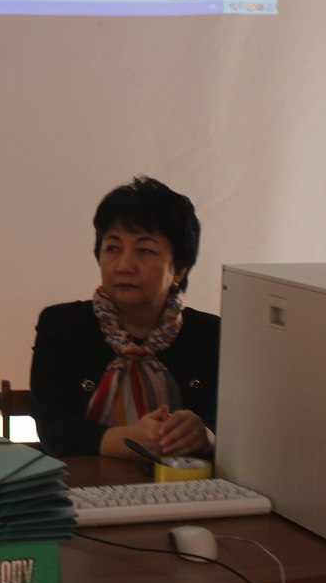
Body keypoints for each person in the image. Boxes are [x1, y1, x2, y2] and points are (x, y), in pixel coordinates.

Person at [28, 176, 217, 459]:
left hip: (184, 484)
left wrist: (205, 435)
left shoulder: (212, 334)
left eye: (145, 251)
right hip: (85, 483)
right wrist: (134, 439)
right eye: (113, 248)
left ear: (179, 270)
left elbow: (236, 429)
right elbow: (56, 433)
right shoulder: (61, 326)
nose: (124, 266)